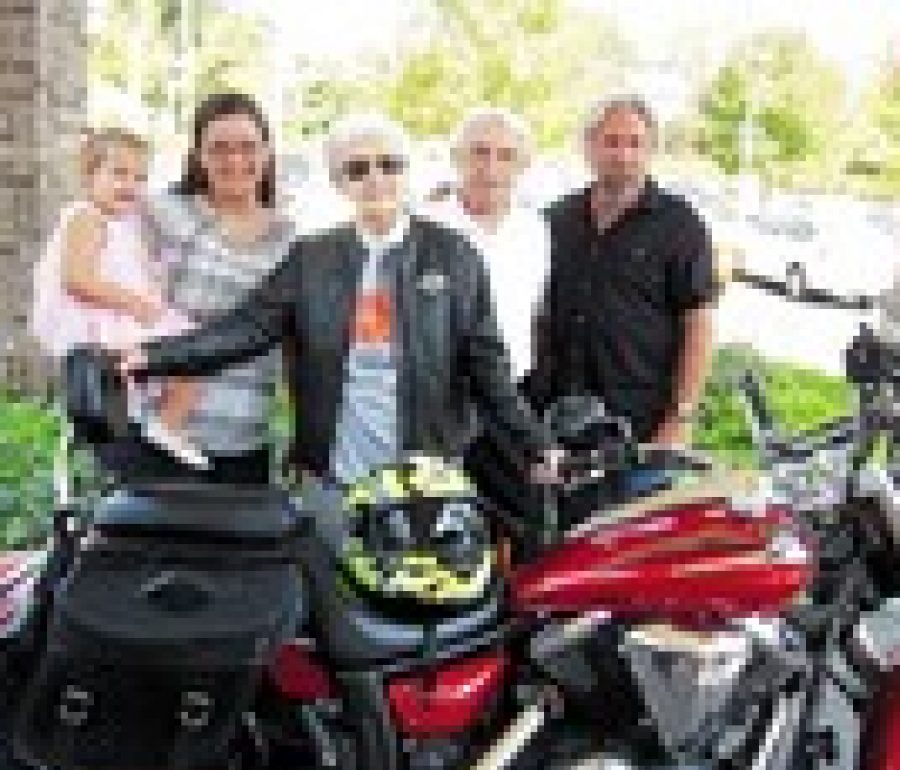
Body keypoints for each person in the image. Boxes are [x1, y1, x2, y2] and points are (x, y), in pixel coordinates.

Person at [118, 113, 551, 534]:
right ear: (339, 182)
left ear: (407, 172)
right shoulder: (313, 257)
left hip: (424, 476)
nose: (375, 179)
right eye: (357, 169)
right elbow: (244, 330)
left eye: (389, 165)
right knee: (330, 593)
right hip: (333, 475)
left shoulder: (453, 254)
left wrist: (537, 443)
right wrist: (149, 357)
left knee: (412, 598)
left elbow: (489, 367)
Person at [526, 95, 717, 465]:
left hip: (640, 426)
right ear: (588, 147)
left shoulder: (680, 225)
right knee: (561, 523)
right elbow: (536, 314)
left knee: (632, 521)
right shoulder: (555, 220)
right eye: (611, 141)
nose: (623, 154)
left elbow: (698, 323)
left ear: (651, 150)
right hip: (556, 422)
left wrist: (680, 419)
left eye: (635, 143)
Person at [141, 91, 296, 485]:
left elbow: (296, 339)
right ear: (198, 155)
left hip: (245, 439)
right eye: (219, 148)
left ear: (267, 153)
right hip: (156, 434)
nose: (234, 160)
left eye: (248, 147)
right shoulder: (162, 212)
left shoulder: (290, 238)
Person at [30, 126, 205, 468]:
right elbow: (77, 278)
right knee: (191, 354)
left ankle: (159, 427)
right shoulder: (88, 218)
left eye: (140, 178)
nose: (131, 185)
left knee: (186, 357)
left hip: (116, 313)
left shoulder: (122, 223)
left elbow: (135, 267)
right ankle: (166, 426)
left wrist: (150, 287)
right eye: (119, 174)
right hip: (98, 317)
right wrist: (134, 302)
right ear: (89, 175)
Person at [422, 108, 549, 381]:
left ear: (523, 166)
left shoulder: (535, 229)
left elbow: (535, 314)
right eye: (480, 152)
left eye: (506, 156)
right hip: (436, 392)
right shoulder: (420, 228)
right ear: (457, 157)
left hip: (512, 389)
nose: (491, 168)